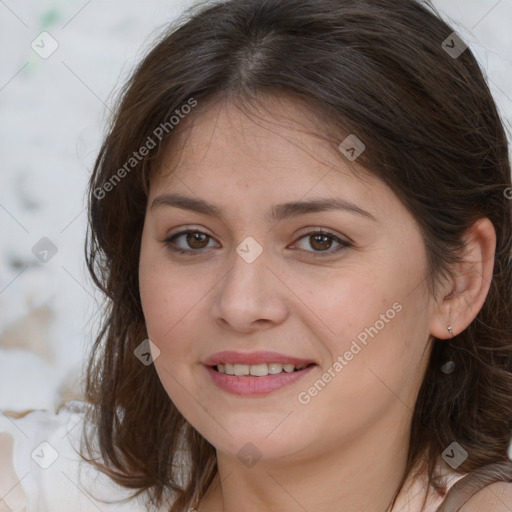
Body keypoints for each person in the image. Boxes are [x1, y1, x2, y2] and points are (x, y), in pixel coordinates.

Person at [2, 0, 512, 510]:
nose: (241, 305)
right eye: (193, 239)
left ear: (458, 281)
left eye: (319, 241)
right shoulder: (53, 486)